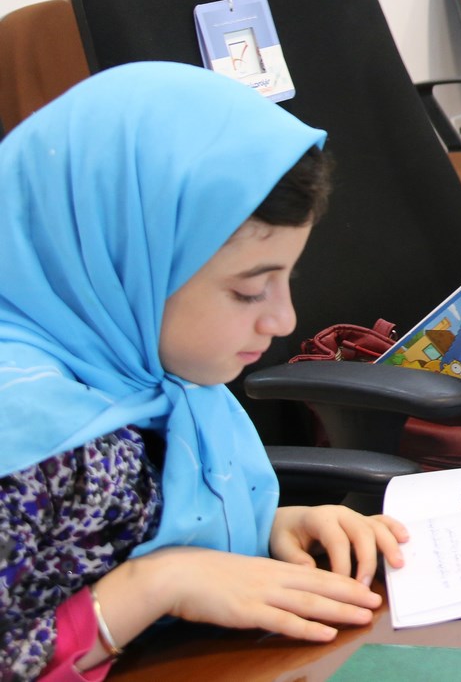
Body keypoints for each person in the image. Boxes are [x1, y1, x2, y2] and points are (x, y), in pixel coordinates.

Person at [0, 62, 406, 681]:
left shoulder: (147, 371)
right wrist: (155, 584)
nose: (283, 319)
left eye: (287, 278)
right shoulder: (23, 438)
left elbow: (124, 530)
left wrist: (268, 528)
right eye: (248, 291)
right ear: (127, 266)